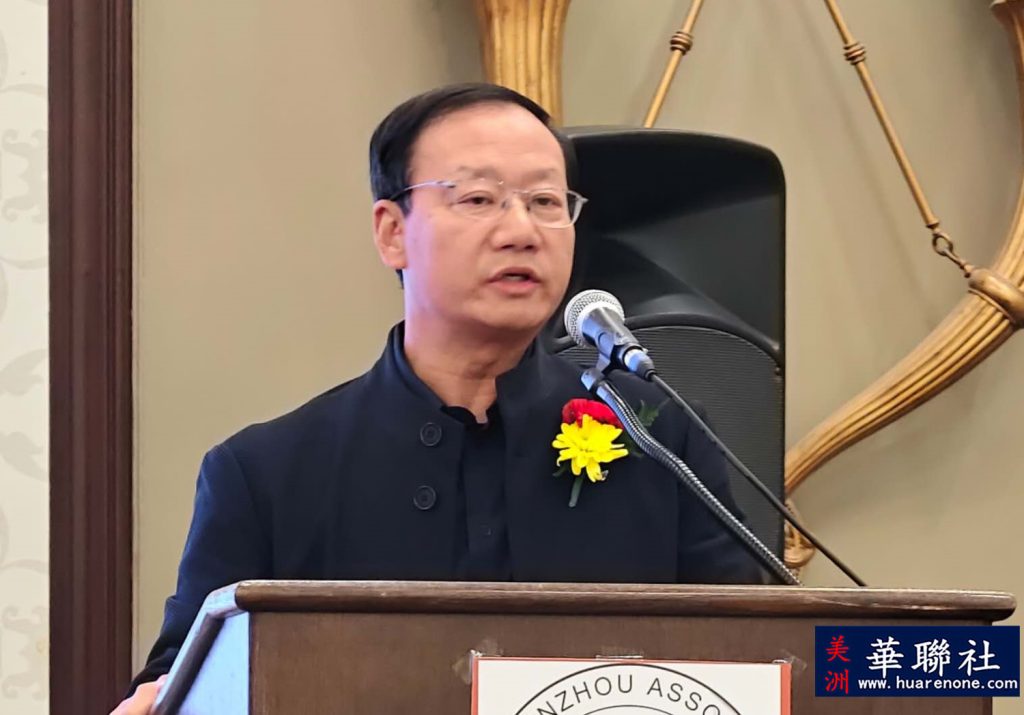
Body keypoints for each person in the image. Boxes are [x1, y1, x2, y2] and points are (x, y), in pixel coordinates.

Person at [111, 83, 761, 715]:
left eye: (545, 200)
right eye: (478, 198)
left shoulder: (660, 441)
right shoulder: (266, 475)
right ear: (392, 231)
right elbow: (185, 684)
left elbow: (754, 657)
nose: (521, 230)